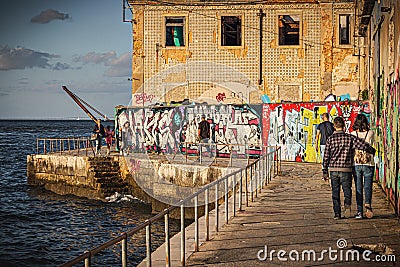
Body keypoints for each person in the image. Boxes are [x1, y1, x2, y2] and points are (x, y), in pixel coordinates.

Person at [323, 116, 375, 220]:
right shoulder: (349, 137)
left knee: (335, 192)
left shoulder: (330, 139)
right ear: (344, 126)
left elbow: (326, 155)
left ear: (334, 126)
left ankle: (337, 214)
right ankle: (347, 206)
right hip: (346, 169)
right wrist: (371, 150)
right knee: (347, 190)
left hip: (333, 169)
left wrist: (324, 170)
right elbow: (361, 145)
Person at [351, 114, 375, 219]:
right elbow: (373, 146)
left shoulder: (352, 134)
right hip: (369, 163)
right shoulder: (371, 133)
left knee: (358, 187)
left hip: (356, 164)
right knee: (368, 186)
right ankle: (368, 205)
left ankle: (359, 212)